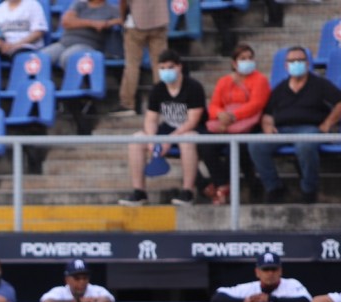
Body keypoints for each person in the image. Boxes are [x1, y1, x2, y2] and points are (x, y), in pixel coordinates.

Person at [248, 46, 341, 205]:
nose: (296, 63)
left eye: (300, 60)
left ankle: (308, 189)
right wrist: (268, 126)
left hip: (309, 129)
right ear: (285, 65)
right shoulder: (280, 88)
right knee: (256, 145)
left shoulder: (320, 84)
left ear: (307, 63)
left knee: (305, 145)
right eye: (292, 61)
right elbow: (267, 112)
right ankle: (274, 188)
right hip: (282, 130)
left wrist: (327, 123)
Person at [119, 49, 207, 207]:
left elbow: (192, 121)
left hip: (192, 131)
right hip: (167, 130)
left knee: (187, 139)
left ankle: (187, 192)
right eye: (162, 68)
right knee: (137, 139)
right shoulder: (158, 89)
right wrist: (153, 140)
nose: (166, 71)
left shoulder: (193, 87)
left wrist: (169, 139)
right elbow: (151, 119)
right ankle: (139, 192)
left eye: (170, 67)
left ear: (179, 67)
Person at [201, 43, 271, 205]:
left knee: (240, 147)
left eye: (250, 58)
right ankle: (222, 183)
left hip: (250, 126)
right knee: (205, 143)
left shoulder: (260, 80)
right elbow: (214, 105)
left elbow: (256, 104)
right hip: (225, 125)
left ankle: (229, 187)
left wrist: (232, 116)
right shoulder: (224, 81)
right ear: (234, 63)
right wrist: (220, 114)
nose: (247, 61)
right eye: (242, 59)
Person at [111, 0, 169, 116]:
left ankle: (127, 104)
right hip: (159, 20)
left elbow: (123, 2)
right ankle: (164, 101)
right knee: (161, 65)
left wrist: (122, 18)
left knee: (132, 65)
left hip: (135, 22)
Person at [41, 0, 122, 69]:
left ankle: (76, 85)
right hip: (64, 43)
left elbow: (123, 20)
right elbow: (66, 22)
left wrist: (108, 23)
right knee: (40, 58)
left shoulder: (111, 9)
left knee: (68, 57)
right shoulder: (79, 5)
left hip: (87, 45)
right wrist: (93, 23)